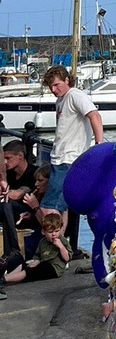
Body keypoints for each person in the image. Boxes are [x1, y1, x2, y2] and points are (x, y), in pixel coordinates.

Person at [39, 67, 104, 237]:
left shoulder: (75, 95)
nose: (53, 90)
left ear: (67, 80)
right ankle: (63, 243)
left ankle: (57, 244)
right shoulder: (61, 100)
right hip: (59, 157)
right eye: (50, 87)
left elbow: (94, 116)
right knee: (61, 207)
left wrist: (99, 144)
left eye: (56, 85)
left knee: (47, 207)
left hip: (68, 158)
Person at [0, 211, 71, 285]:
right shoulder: (43, 241)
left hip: (54, 268)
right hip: (43, 263)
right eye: (50, 232)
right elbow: (38, 254)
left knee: (31, 271)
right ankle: (6, 276)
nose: (54, 234)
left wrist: (61, 247)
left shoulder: (62, 241)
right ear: (43, 232)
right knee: (24, 264)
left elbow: (67, 258)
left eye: (57, 231)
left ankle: (5, 279)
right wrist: (36, 261)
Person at [1, 140, 38, 262]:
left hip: (28, 215)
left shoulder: (33, 173)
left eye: (8, 158)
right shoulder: (9, 174)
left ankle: (13, 249)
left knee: (7, 203)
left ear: (20, 156)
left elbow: (17, 194)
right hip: (11, 215)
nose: (5, 162)